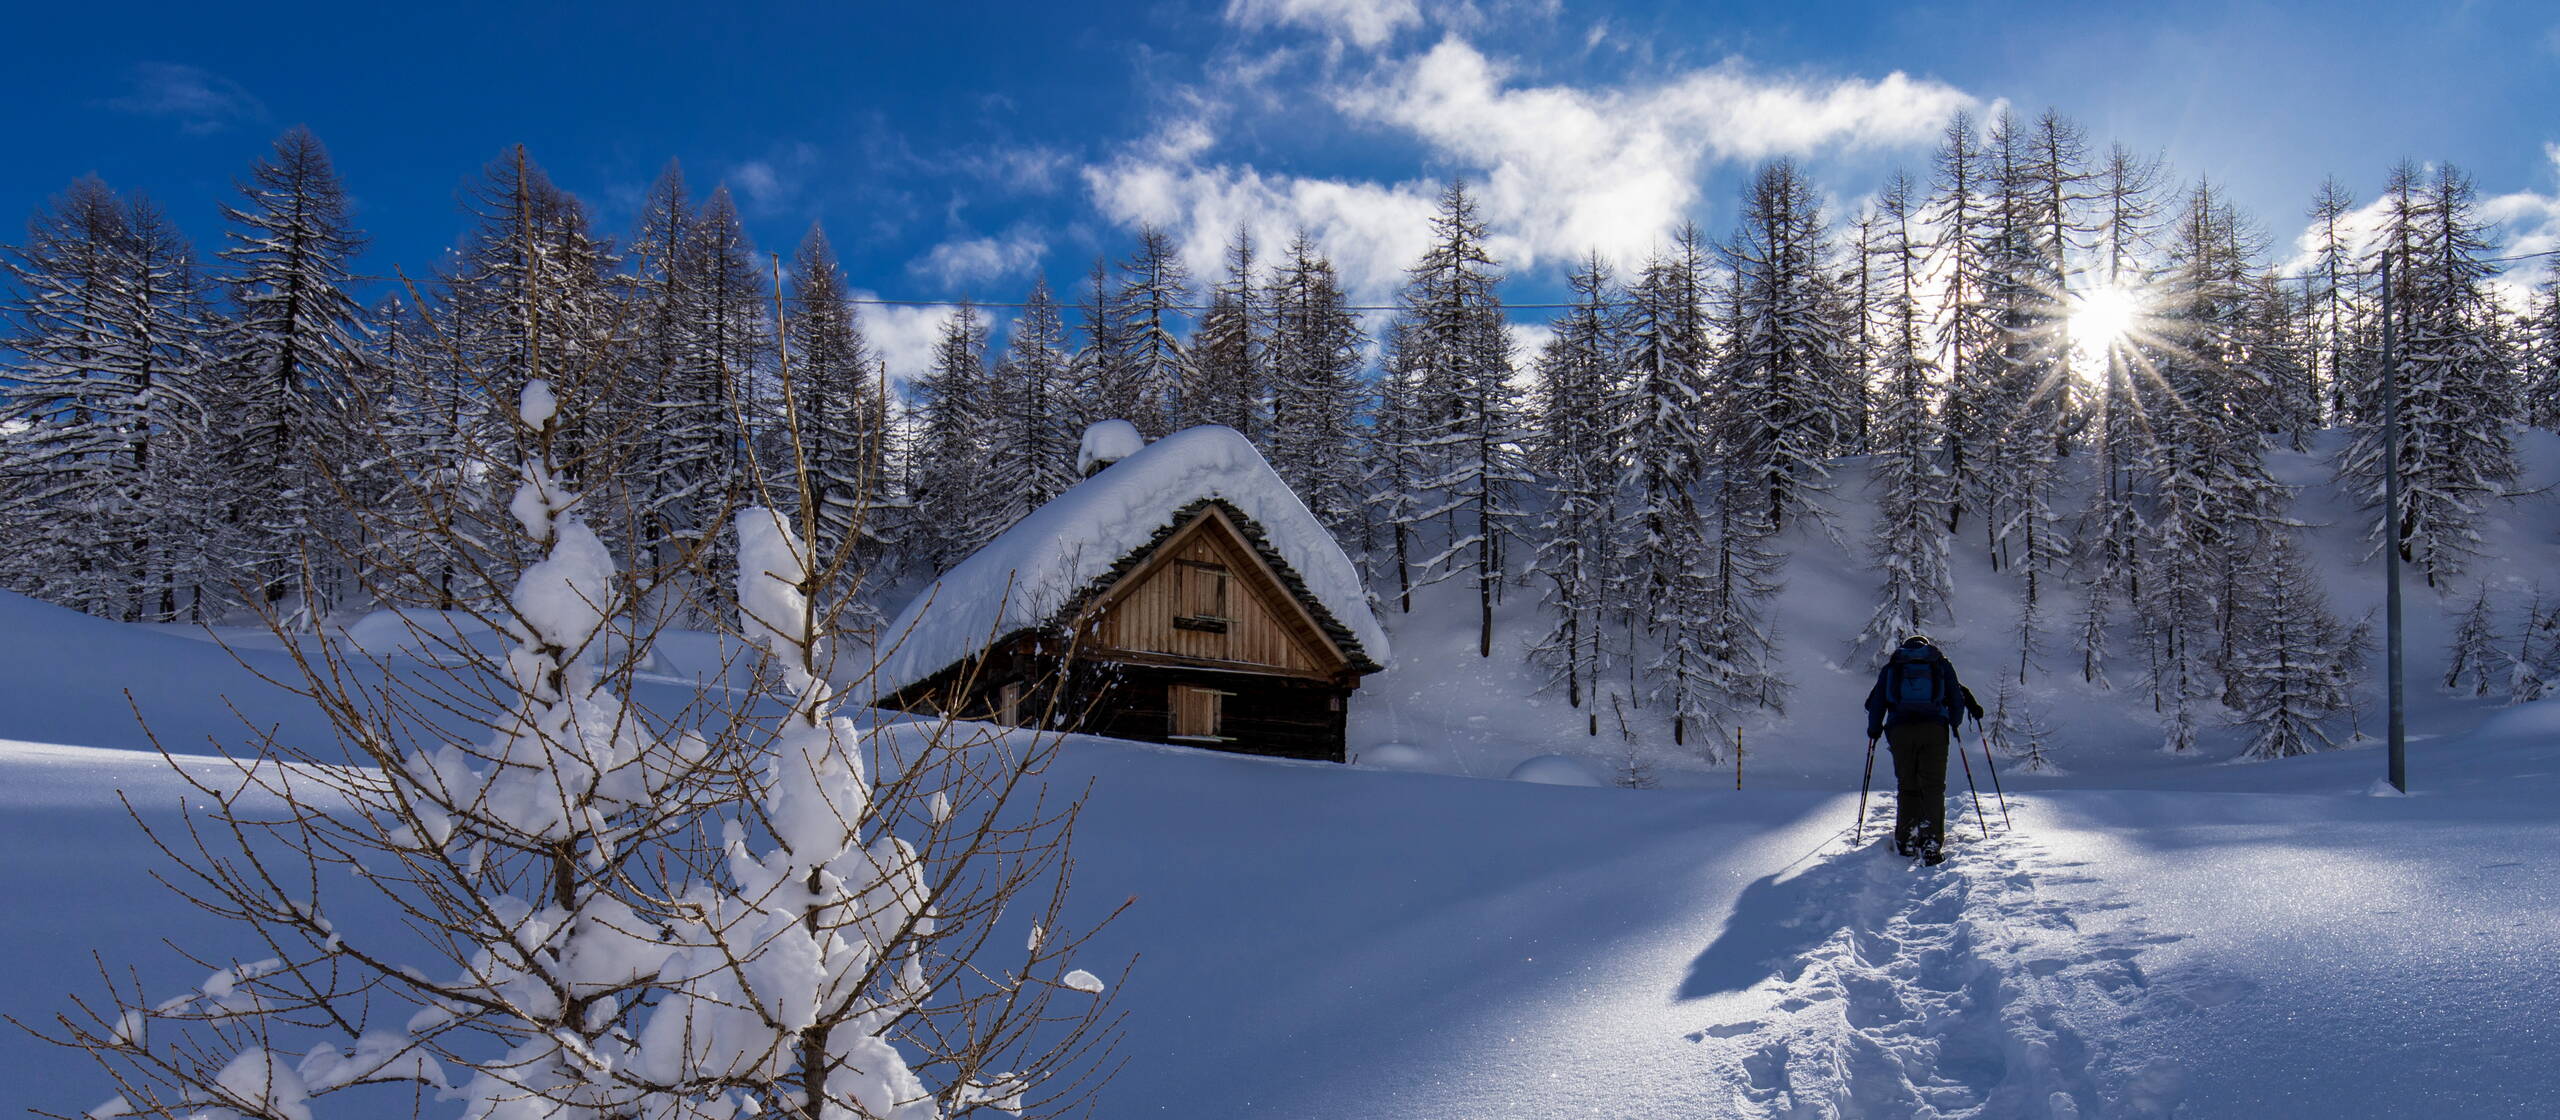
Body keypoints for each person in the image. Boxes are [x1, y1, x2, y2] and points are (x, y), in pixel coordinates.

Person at [1862, 634, 1984, 864]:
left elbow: (1878, 701)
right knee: (1933, 787)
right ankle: (1931, 843)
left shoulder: (1894, 666)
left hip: (1900, 729)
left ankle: (1906, 840)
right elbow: (1956, 697)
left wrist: (1874, 730)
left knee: (1907, 785)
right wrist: (1954, 722)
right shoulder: (1939, 663)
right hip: (1934, 729)